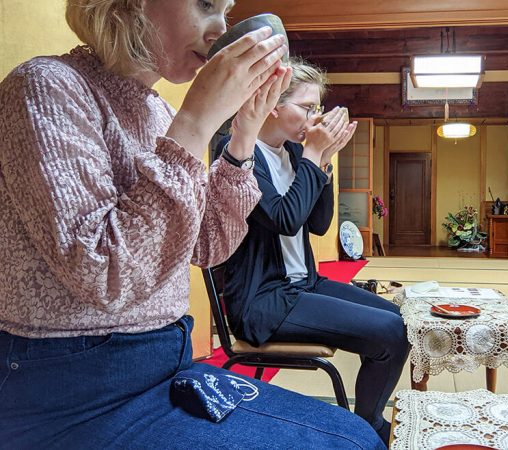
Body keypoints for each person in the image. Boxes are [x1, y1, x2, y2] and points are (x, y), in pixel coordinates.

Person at [0, 1, 384, 449]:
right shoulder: (47, 87)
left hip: (165, 363)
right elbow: (104, 273)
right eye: (205, 4)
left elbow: (207, 245)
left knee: (354, 434)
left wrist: (242, 136)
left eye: (226, 10)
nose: (220, 27)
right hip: (71, 387)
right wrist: (196, 120)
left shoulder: (160, 112)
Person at [220, 58, 410, 446]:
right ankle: (369, 425)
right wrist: (312, 156)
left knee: (399, 319)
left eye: (317, 109)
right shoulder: (240, 153)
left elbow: (319, 223)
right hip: (263, 300)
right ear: (274, 104)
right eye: (307, 107)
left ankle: (365, 419)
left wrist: (323, 161)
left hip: (303, 282)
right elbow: (285, 219)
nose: (314, 116)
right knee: (389, 332)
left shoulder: (292, 153)